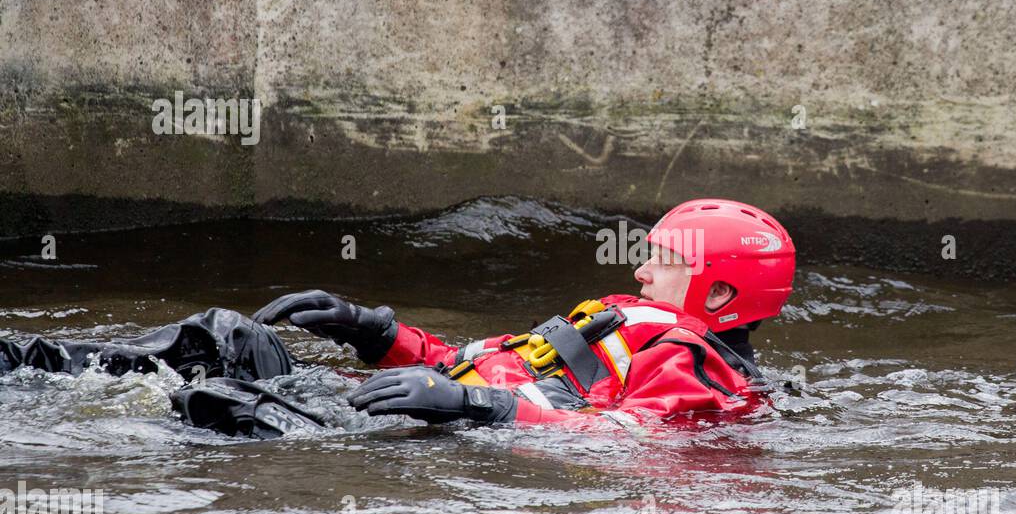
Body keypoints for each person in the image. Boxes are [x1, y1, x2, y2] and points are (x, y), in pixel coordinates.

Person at [256, 198, 796, 428]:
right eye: (649, 255)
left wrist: (473, 405)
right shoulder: (627, 316)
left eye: (668, 262)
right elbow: (502, 360)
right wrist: (374, 332)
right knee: (229, 342)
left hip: (445, 425)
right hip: (427, 402)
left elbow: (622, 437)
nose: (642, 272)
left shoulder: (696, 366)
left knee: (219, 399)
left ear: (720, 295)